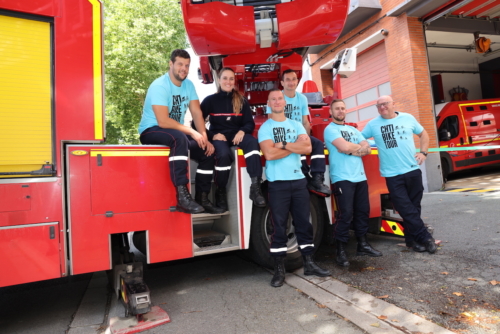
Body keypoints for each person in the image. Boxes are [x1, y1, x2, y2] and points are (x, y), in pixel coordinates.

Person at [258, 89, 331, 288]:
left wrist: (281, 144)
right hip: (278, 184)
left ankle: (309, 263)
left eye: (280, 98)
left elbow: (307, 149)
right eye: (273, 99)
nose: (277, 101)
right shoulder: (265, 128)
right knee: (279, 227)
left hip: (299, 181)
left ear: (284, 102)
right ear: (269, 103)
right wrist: (292, 146)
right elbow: (269, 155)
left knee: (304, 224)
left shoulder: (296, 124)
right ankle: (279, 270)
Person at [138, 49, 224, 214]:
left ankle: (202, 197)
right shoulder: (159, 86)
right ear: (171, 64)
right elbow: (163, 121)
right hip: (152, 130)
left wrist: (204, 137)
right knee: (180, 138)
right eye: (180, 64)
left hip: (174, 131)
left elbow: (197, 113)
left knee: (206, 149)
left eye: (186, 65)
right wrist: (192, 132)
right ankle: (182, 196)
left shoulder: (188, 85)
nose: (183, 68)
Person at [361, 95, 437, 253]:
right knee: (404, 208)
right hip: (392, 175)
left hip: (412, 170)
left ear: (393, 104)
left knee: (414, 207)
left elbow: (424, 134)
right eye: (379, 105)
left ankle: (411, 241)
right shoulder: (373, 124)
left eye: (385, 104)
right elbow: (360, 138)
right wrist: (364, 144)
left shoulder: (407, 118)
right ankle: (425, 237)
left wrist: (423, 152)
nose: (382, 107)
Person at [324, 100, 382, 267]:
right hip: (342, 178)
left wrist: (354, 149)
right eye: (337, 108)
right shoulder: (330, 130)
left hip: (360, 177)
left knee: (362, 212)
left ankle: (362, 245)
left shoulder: (352, 129)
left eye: (342, 108)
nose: (340, 111)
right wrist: (357, 149)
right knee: (346, 214)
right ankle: (340, 250)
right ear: (331, 111)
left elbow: (367, 148)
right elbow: (343, 147)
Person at [200, 68, 266, 211]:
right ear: (219, 80)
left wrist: (242, 131)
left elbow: (250, 123)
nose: (228, 82)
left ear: (234, 81)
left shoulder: (241, 100)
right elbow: (196, 123)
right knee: (223, 155)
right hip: (219, 136)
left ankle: (255, 187)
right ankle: (220, 192)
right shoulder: (210, 100)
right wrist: (212, 136)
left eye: (231, 79)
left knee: (253, 143)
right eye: (225, 78)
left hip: (237, 135)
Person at [266, 69, 331, 197]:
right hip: (284, 135)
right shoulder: (277, 98)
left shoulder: (302, 98)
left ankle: (317, 179)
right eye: (288, 80)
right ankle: (305, 175)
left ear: (297, 81)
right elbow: (271, 120)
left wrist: (305, 137)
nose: (291, 82)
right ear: (282, 83)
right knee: (297, 148)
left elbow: (305, 122)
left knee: (317, 144)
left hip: (299, 133)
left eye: (293, 79)